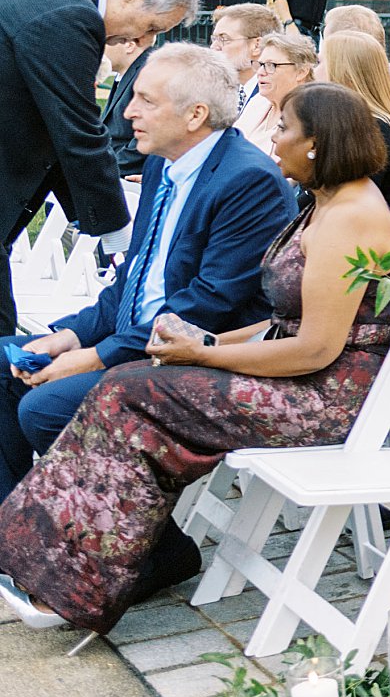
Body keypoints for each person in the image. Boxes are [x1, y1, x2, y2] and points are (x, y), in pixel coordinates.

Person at [0, 83, 390, 634]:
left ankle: (81, 576)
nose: (273, 140)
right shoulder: (325, 201)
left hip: (326, 398)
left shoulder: (352, 215)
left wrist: (206, 357)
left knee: (124, 391)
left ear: (316, 143)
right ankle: (78, 565)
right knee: (128, 385)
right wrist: (203, 346)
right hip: (301, 375)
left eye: (283, 128)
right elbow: (280, 323)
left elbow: (316, 347)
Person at [0, 46, 295, 500]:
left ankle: (158, 552)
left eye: (146, 100)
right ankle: (16, 526)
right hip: (137, 340)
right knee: (5, 364)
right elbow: (134, 277)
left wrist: (98, 357)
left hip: (196, 357)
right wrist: (71, 337)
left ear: (195, 114)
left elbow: (207, 305)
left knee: (46, 406)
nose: (128, 112)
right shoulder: (163, 161)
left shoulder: (247, 180)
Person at [0, 0, 198, 332]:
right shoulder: (72, 15)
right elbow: (78, 134)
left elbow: (60, 134)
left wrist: (93, 222)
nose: (143, 41)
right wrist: (119, 236)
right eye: (152, 27)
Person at [318, 30, 390, 212]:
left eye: (319, 63)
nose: (312, 70)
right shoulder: (361, 124)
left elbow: (343, 202)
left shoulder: (374, 130)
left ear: (343, 71)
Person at [250, 32, 317, 157]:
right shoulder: (258, 101)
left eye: (271, 65)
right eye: (260, 65)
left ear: (301, 72)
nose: (260, 72)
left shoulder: (310, 115)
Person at [210, 2, 275, 125]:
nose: (214, 47)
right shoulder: (218, 90)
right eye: (214, 39)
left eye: (224, 39)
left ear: (257, 45)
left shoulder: (275, 96)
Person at [101, 36, 155, 178]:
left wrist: (104, 170)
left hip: (129, 177)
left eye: (105, 42)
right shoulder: (128, 72)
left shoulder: (147, 73)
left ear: (129, 45)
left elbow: (149, 134)